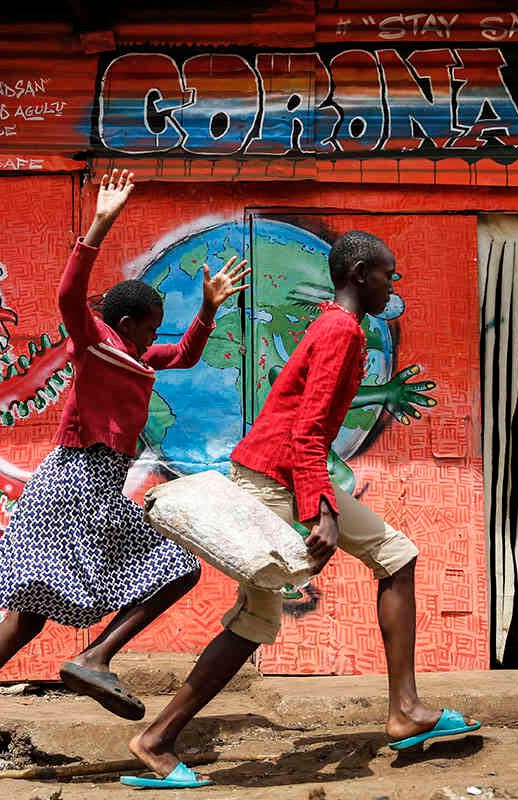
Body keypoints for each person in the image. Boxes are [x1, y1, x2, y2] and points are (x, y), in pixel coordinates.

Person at [0, 169, 250, 783]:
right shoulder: (97, 341)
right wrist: (100, 225)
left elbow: (184, 355)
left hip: (79, 485)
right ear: (131, 321)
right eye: (155, 322)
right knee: (179, 566)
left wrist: (209, 309)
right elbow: (68, 295)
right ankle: (95, 655)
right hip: (79, 482)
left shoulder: (135, 357)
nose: (157, 334)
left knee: (25, 617)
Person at [122, 231, 480, 790]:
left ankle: (406, 710)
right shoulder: (340, 331)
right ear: (361, 273)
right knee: (258, 617)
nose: (393, 284)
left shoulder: (337, 326)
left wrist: (317, 500)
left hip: (284, 473)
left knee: (395, 555)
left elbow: (304, 427)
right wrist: (323, 512)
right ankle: (157, 739)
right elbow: (309, 431)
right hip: (276, 480)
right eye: (388, 273)